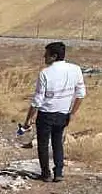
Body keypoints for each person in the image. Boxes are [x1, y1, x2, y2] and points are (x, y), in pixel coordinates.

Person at [23, 42, 86, 182]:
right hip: (63, 113)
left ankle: (45, 174)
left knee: (43, 144)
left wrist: (28, 119)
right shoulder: (75, 69)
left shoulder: (45, 73)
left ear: (54, 56)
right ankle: (58, 173)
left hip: (46, 114)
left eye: (46, 54)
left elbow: (38, 100)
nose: (44, 56)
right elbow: (81, 94)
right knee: (57, 143)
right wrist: (72, 113)